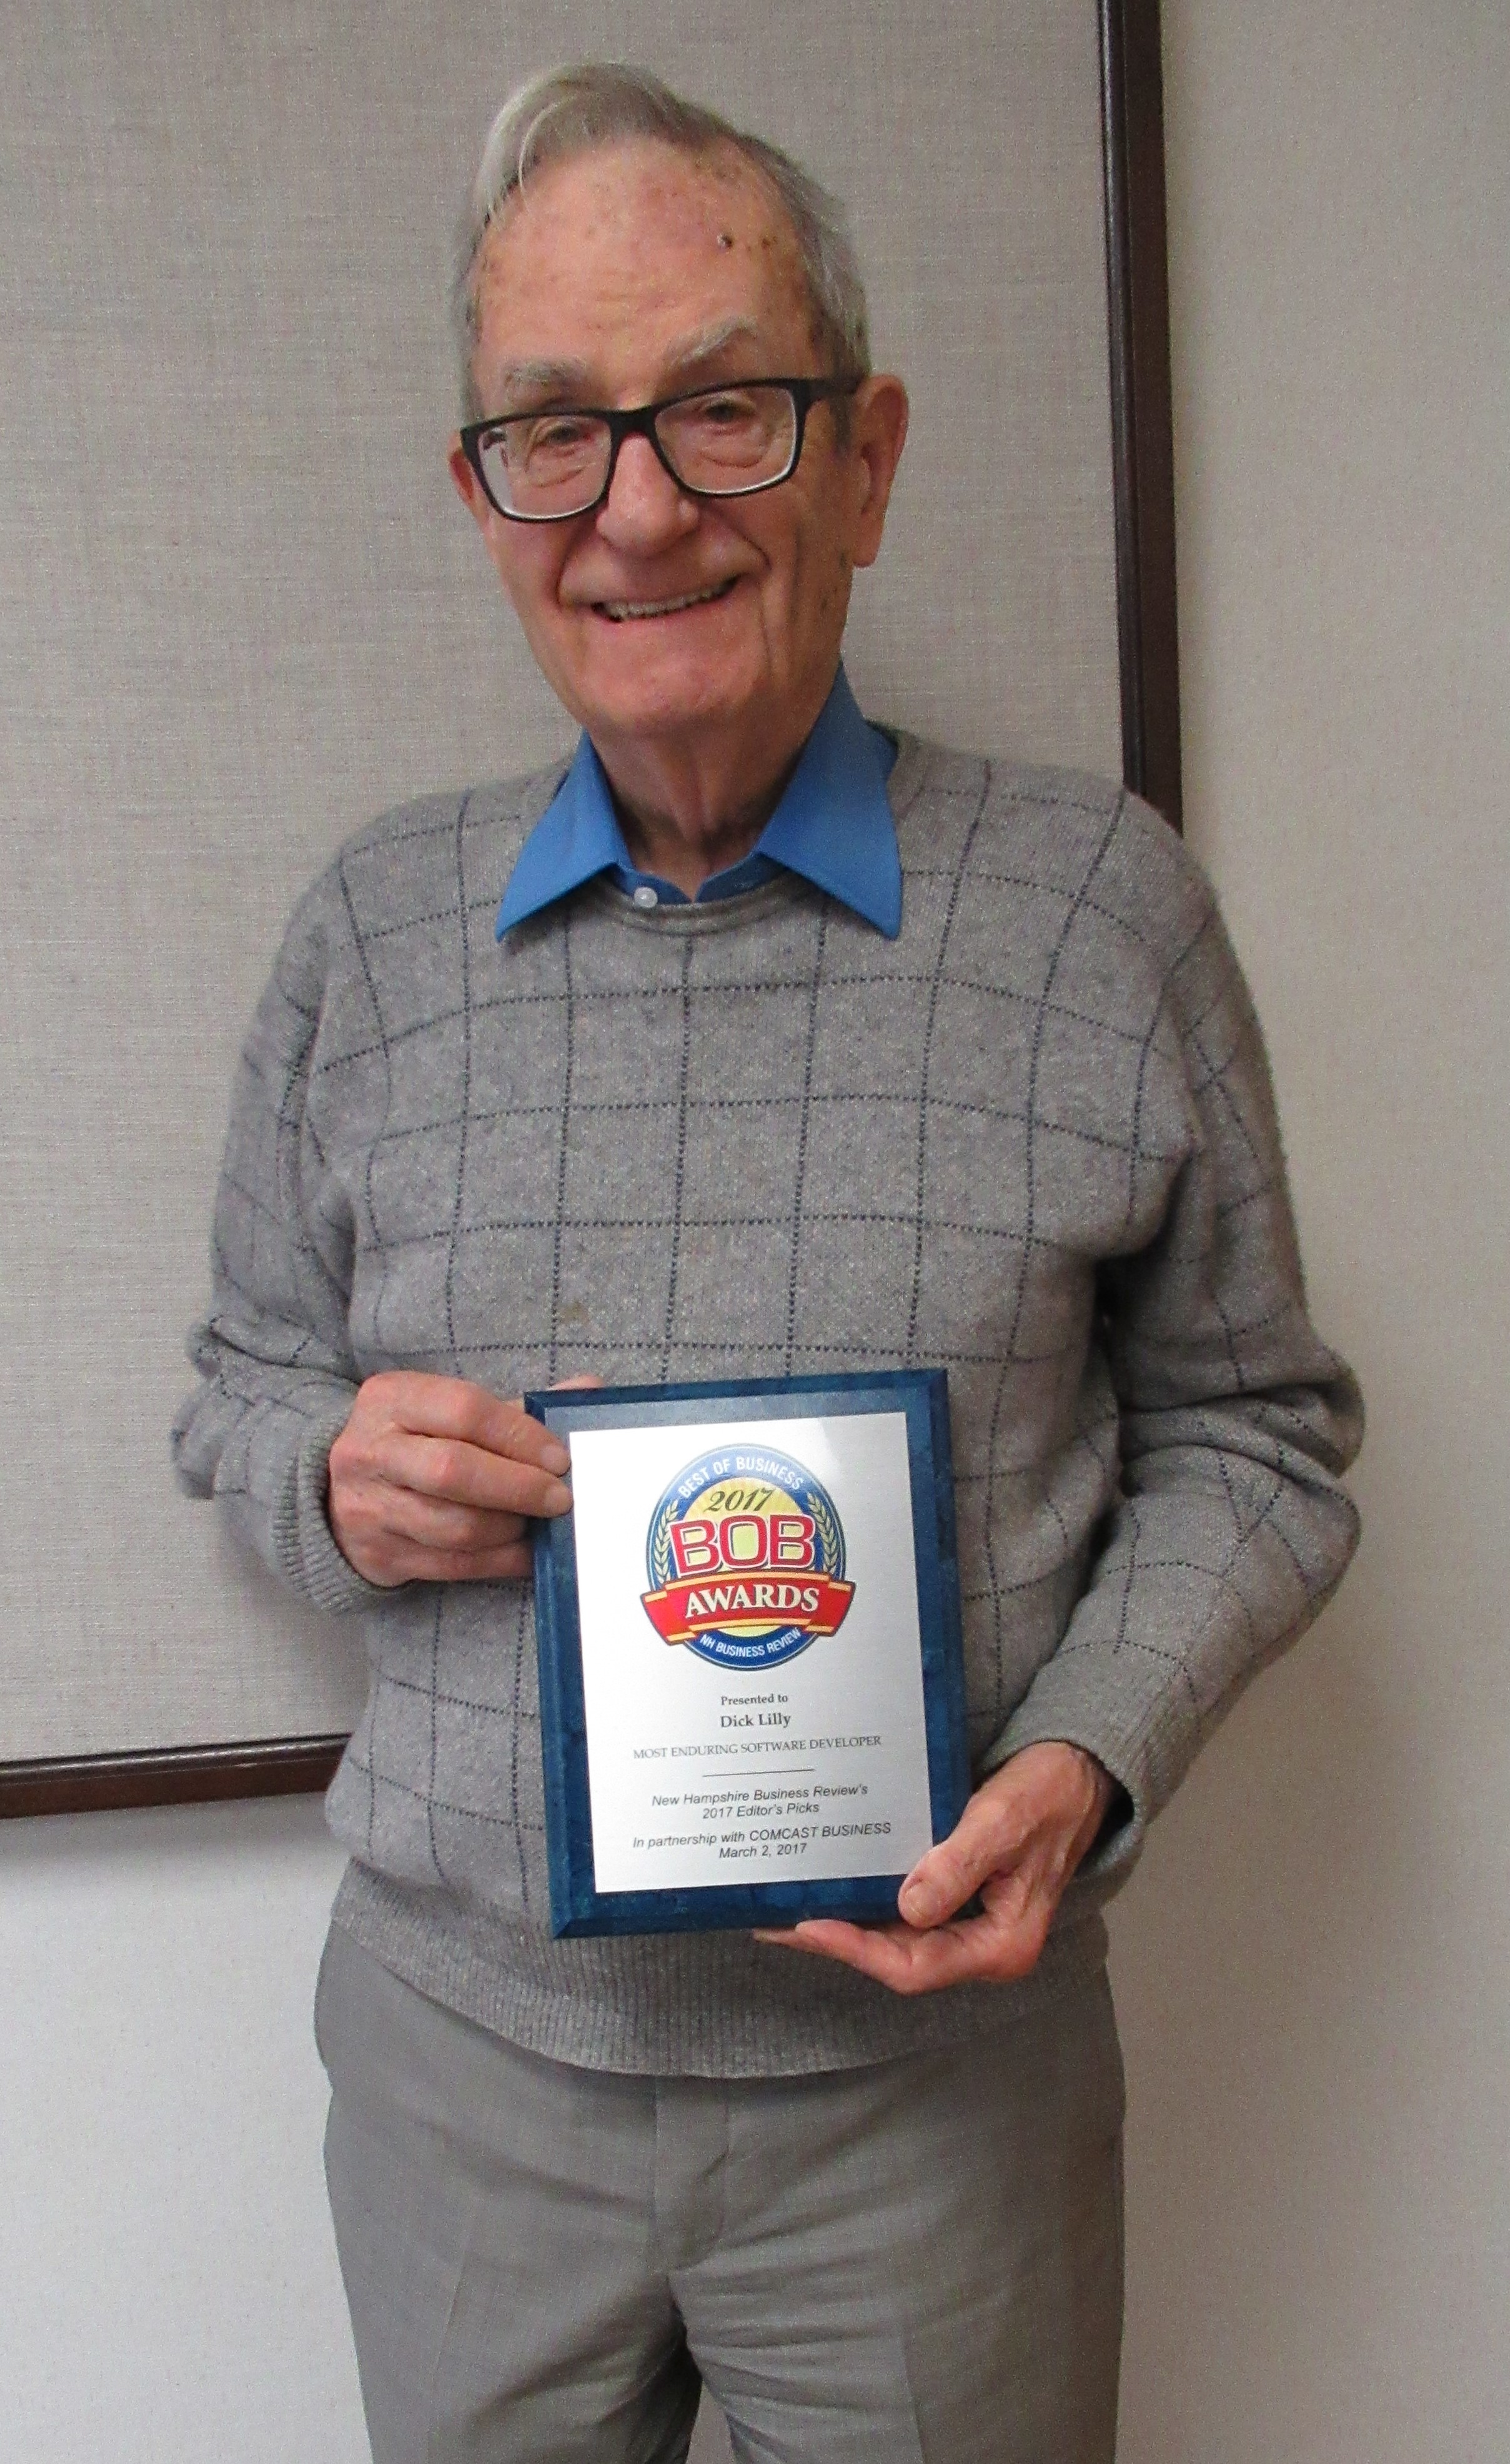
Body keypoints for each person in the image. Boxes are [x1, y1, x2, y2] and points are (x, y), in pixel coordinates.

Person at [173, 62, 1363, 2464]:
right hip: (465, 2076)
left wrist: (1090, 1753)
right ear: (483, 497)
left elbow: (1258, 1434)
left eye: (722, 408)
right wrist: (328, 1478)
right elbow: (236, 1387)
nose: (638, 509)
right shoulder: (367, 935)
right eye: (555, 431)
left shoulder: (1099, 911)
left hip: (936, 2100)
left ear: (865, 456)